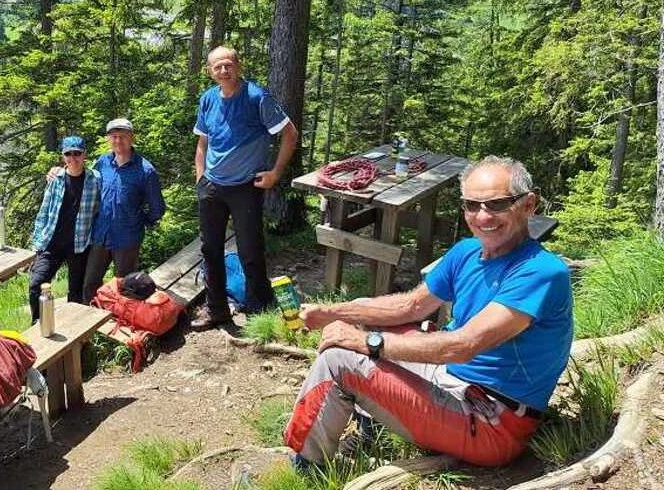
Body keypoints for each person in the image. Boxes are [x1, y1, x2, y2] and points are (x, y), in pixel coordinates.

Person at [284, 156, 573, 469]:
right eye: (472, 205)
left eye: (497, 204)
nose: (482, 216)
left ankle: (304, 469)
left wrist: (368, 343)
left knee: (338, 361)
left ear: (529, 205)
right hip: (452, 380)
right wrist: (330, 313)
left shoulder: (541, 272)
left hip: (491, 420)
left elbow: (463, 345)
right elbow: (409, 306)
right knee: (366, 312)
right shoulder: (467, 252)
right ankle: (372, 426)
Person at [191, 46, 299, 330]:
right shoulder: (208, 99)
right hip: (212, 187)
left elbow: (290, 134)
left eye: (228, 65)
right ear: (210, 71)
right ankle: (216, 310)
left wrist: (275, 173)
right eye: (218, 67)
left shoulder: (256, 97)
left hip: (246, 187)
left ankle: (258, 311)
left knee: (251, 250)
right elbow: (202, 142)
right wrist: (201, 178)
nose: (224, 71)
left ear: (238, 65)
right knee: (210, 249)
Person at [81, 118, 166, 301]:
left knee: (125, 288)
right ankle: (91, 324)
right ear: (108, 139)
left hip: (127, 239)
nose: (118, 141)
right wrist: (59, 172)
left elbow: (157, 208)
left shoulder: (145, 170)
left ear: (132, 138)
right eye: (113, 136)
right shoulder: (103, 162)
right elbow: (86, 184)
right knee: (90, 283)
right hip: (100, 236)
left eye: (123, 136)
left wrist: (139, 221)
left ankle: (122, 326)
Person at [28, 136, 101, 321]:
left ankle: (73, 327)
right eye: (68, 153)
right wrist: (37, 244)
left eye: (77, 153)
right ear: (63, 157)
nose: (73, 158)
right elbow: (43, 212)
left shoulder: (95, 179)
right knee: (36, 284)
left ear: (85, 155)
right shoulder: (56, 179)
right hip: (51, 244)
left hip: (79, 245)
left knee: (75, 292)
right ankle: (39, 322)